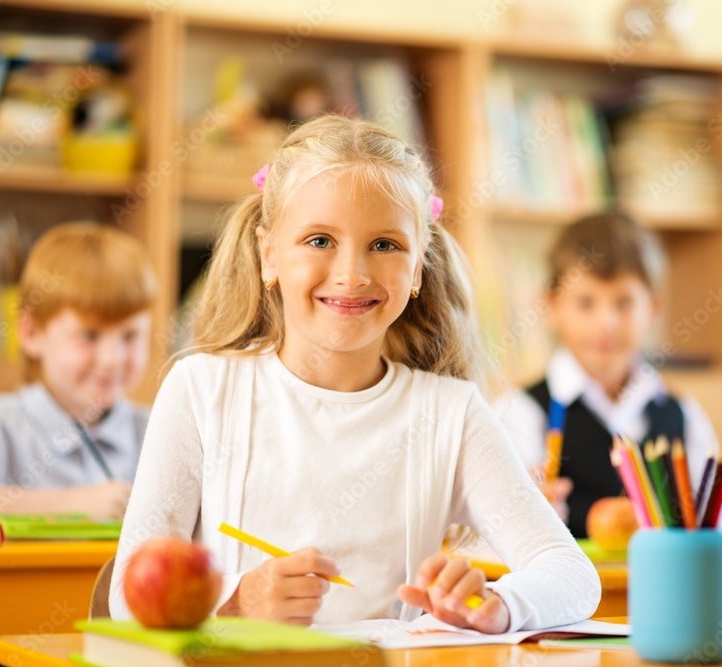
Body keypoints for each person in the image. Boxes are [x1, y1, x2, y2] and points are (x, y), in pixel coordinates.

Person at [108, 115, 600, 633]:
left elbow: (572, 575)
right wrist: (236, 598)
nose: (352, 274)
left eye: (385, 245)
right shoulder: (199, 390)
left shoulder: (452, 414)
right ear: (268, 254)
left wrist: (496, 605)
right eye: (319, 240)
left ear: (416, 270)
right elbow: (127, 594)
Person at [496, 212, 722, 541]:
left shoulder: (683, 415)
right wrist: (527, 518)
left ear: (653, 308)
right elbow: (497, 541)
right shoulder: (521, 412)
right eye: (585, 303)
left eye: (624, 303)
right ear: (552, 305)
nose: (606, 323)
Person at [0, 222, 155, 519]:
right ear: (32, 333)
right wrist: (68, 505)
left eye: (130, 336)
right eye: (89, 335)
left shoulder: (157, 433)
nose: (111, 360)